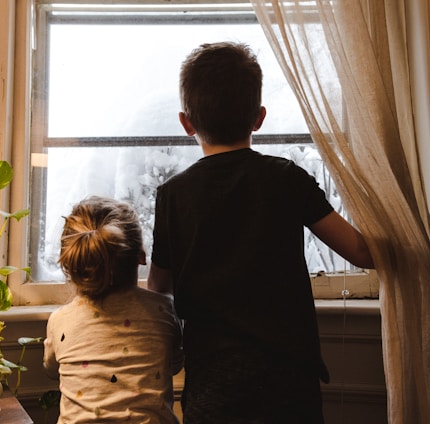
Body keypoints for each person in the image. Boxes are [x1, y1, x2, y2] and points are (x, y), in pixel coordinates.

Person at [148, 42, 374, 424]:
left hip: (212, 384)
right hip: (288, 381)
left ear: (186, 123)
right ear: (259, 117)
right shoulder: (286, 177)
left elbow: (159, 287)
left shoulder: (173, 195)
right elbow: (362, 252)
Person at [43, 196, 184, 423]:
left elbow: (51, 370)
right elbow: (175, 365)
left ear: (71, 266)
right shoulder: (164, 312)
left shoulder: (60, 321)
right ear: (141, 256)